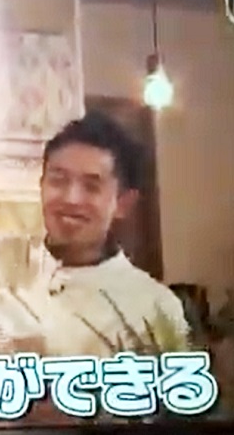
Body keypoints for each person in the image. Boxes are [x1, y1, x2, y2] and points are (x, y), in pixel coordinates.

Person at [32, 111, 190, 357]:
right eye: (58, 180)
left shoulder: (154, 306)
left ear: (123, 203)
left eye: (91, 186)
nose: (71, 199)